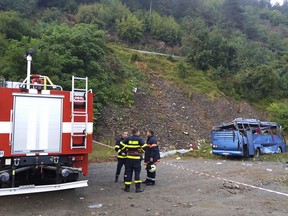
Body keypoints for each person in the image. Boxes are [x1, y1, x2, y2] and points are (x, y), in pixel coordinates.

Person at [120, 128, 146, 193]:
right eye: (139, 132)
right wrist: (141, 150)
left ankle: (127, 188)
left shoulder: (128, 138)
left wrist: (126, 149)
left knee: (128, 172)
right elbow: (145, 147)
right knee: (137, 173)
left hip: (129, 158)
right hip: (136, 159)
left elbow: (121, 143)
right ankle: (137, 188)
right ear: (136, 132)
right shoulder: (139, 139)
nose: (139, 133)